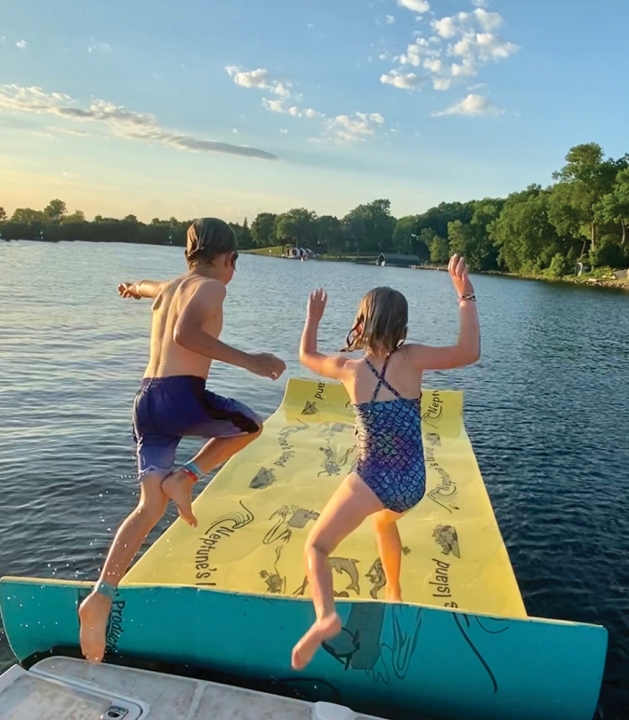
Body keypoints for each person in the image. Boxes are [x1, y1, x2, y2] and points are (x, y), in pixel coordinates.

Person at [79, 217, 286, 664]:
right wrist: (250, 361)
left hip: (145, 402)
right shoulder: (213, 288)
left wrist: (132, 287)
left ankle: (101, 593)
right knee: (250, 426)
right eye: (235, 262)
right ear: (228, 258)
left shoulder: (173, 286)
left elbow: (149, 287)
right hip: (178, 397)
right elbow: (185, 335)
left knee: (148, 508)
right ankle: (188, 477)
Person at [291, 254, 480, 670]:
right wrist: (464, 294)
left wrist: (313, 318)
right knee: (384, 523)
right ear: (402, 327)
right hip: (413, 481)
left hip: (372, 477)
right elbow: (469, 351)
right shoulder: (412, 359)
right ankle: (393, 592)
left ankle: (326, 616)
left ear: (362, 322)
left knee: (317, 547)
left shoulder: (347, 368)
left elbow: (305, 355)